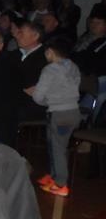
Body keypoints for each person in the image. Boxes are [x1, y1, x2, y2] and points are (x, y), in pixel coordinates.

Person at [31, 36, 81, 197]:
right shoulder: (73, 66)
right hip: (74, 112)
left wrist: (46, 100)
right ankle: (53, 176)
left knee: (58, 148)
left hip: (59, 114)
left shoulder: (50, 69)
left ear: (50, 52)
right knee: (57, 145)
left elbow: (38, 96)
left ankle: (60, 183)